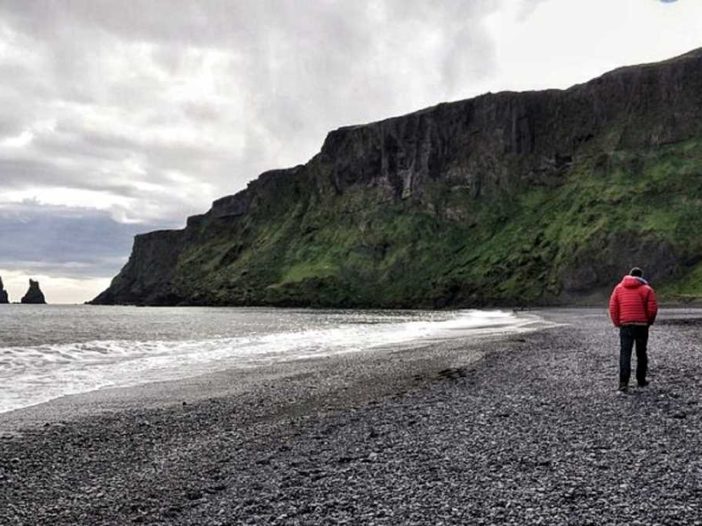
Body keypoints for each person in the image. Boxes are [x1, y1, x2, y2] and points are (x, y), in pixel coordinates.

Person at [608, 267, 658, 393]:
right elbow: (652, 308)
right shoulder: (647, 289)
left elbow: (613, 307)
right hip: (641, 325)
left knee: (625, 353)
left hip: (625, 325)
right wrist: (648, 322)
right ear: (641, 277)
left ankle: (623, 383)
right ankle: (641, 380)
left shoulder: (618, 288)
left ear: (629, 275)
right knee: (641, 353)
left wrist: (617, 323)